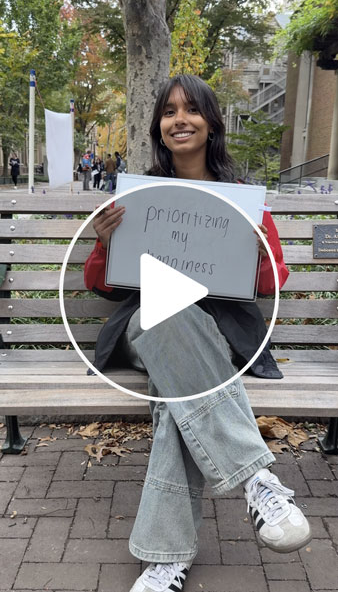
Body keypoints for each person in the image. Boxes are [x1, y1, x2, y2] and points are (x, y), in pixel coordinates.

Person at [84, 74, 311, 592]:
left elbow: (269, 282)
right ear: (159, 128)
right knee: (163, 312)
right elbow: (103, 285)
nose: (179, 119)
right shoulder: (139, 197)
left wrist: (258, 252)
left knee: (176, 394)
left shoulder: (242, 202)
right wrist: (104, 243)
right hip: (146, 325)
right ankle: (256, 478)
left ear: (211, 123)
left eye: (191, 110)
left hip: (215, 333)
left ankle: (165, 560)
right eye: (169, 112)